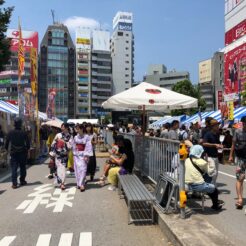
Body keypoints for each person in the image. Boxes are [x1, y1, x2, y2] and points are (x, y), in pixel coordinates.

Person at [185, 145, 224, 210]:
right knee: (214, 189)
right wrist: (211, 162)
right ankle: (215, 205)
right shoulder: (202, 162)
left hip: (186, 184)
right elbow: (210, 172)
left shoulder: (187, 160)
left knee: (207, 186)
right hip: (198, 186)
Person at [5, 118, 30, 189]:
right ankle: (22, 180)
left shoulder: (10, 132)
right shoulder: (24, 133)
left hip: (14, 153)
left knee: (14, 169)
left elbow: (6, 144)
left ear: (14, 124)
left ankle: (14, 184)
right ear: (21, 124)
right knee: (23, 167)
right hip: (23, 152)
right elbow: (28, 144)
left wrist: (7, 150)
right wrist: (27, 150)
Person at [229, 116, 246, 209]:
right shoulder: (238, 132)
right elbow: (233, 144)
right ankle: (240, 199)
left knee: (242, 178)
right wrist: (231, 156)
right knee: (240, 178)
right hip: (240, 158)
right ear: (242, 123)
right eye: (244, 123)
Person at [50, 123, 73, 190]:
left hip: (64, 155)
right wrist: (52, 154)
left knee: (63, 169)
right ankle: (61, 183)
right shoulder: (58, 135)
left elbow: (70, 146)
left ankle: (62, 183)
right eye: (61, 127)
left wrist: (63, 142)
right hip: (58, 154)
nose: (62, 128)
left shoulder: (70, 136)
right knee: (59, 169)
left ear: (66, 128)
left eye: (63, 127)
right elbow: (53, 144)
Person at [72, 124, 93, 192]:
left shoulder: (86, 137)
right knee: (78, 170)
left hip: (84, 155)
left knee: (83, 169)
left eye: (78, 129)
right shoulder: (75, 137)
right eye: (76, 129)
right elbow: (74, 146)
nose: (77, 130)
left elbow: (88, 146)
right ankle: (79, 184)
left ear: (81, 129)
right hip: (77, 155)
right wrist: (74, 153)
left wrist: (86, 155)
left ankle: (82, 184)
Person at [203, 119, 223, 187]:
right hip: (209, 156)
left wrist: (220, 146)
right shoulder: (208, 134)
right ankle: (209, 187)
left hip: (215, 156)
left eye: (218, 125)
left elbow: (217, 144)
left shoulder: (217, 134)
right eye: (216, 125)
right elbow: (204, 143)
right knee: (211, 173)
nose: (218, 127)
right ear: (212, 126)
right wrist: (214, 145)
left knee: (215, 173)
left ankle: (212, 187)